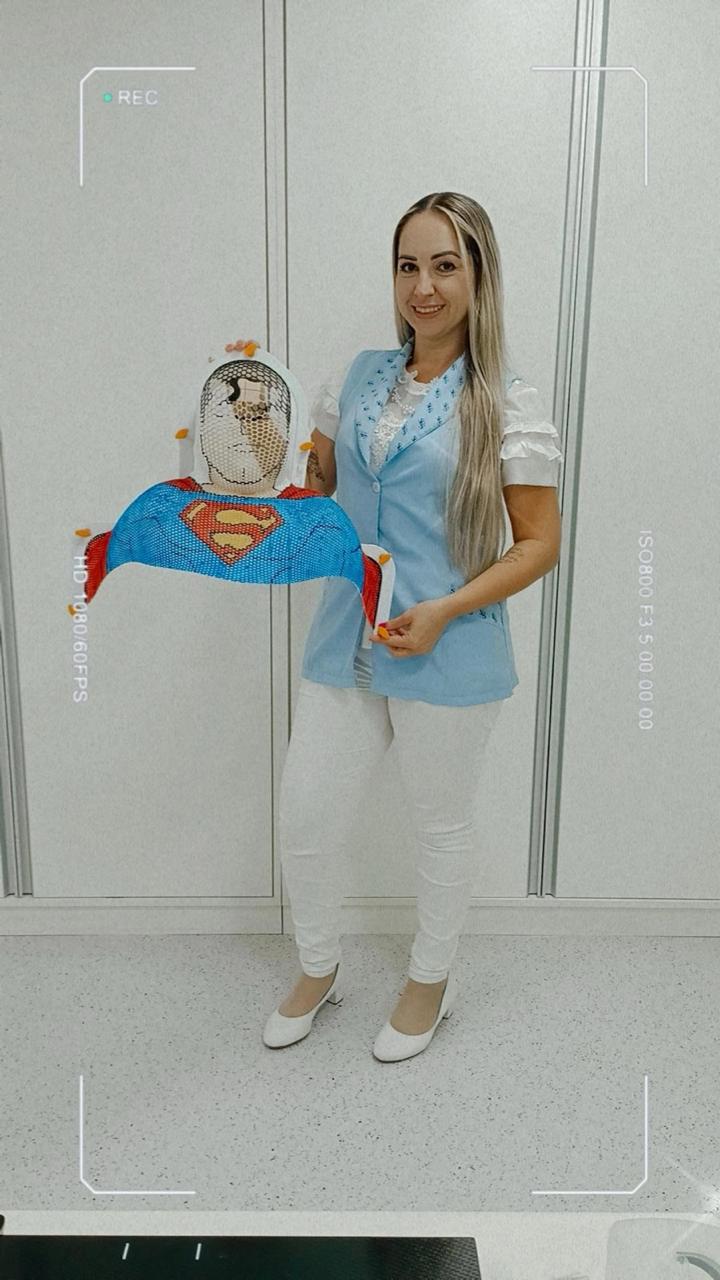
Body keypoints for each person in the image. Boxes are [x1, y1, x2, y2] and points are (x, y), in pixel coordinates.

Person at [262, 190, 563, 1062]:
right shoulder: (357, 378)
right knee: (307, 816)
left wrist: (444, 610)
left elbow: (539, 544)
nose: (422, 287)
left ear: (478, 276)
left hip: (451, 646)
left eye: (444, 266)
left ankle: (432, 979)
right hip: (345, 638)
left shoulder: (509, 400)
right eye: (408, 266)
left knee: (440, 826)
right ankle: (318, 967)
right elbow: (317, 490)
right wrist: (264, 440)